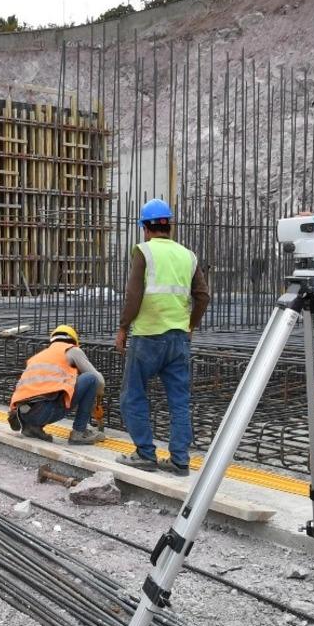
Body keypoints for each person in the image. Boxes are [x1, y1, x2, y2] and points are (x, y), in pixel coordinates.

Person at [116, 199, 210, 477]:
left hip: (148, 337)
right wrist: (190, 325)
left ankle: (145, 453)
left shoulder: (144, 252)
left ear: (145, 228)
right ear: (169, 226)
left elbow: (134, 296)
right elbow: (203, 297)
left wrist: (123, 328)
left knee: (133, 395)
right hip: (179, 339)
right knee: (179, 401)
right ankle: (180, 460)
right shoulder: (188, 255)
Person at [8, 325, 106, 445]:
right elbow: (99, 381)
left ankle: (32, 428)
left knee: (47, 395)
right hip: (43, 411)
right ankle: (79, 432)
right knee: (90, 379)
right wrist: (96, 399)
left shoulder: (39, 356)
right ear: (73, 339)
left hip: (21, 415)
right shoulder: (72, 350)